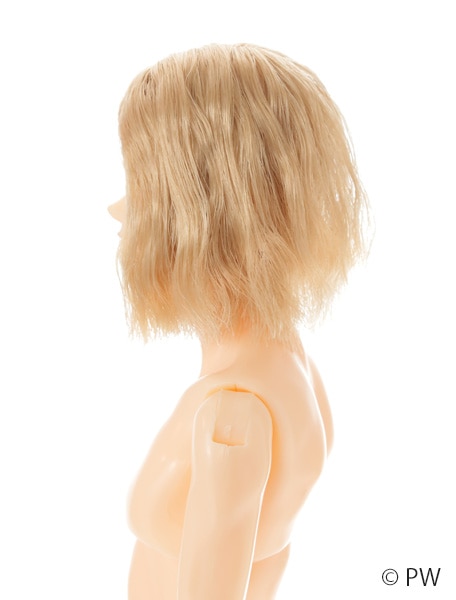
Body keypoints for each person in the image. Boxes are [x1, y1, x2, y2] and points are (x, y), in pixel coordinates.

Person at [108, 43, 370, 600]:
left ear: (202, 209)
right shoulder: (290, 364)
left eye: (143, 187)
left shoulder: (234, 412)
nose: (118, 210)